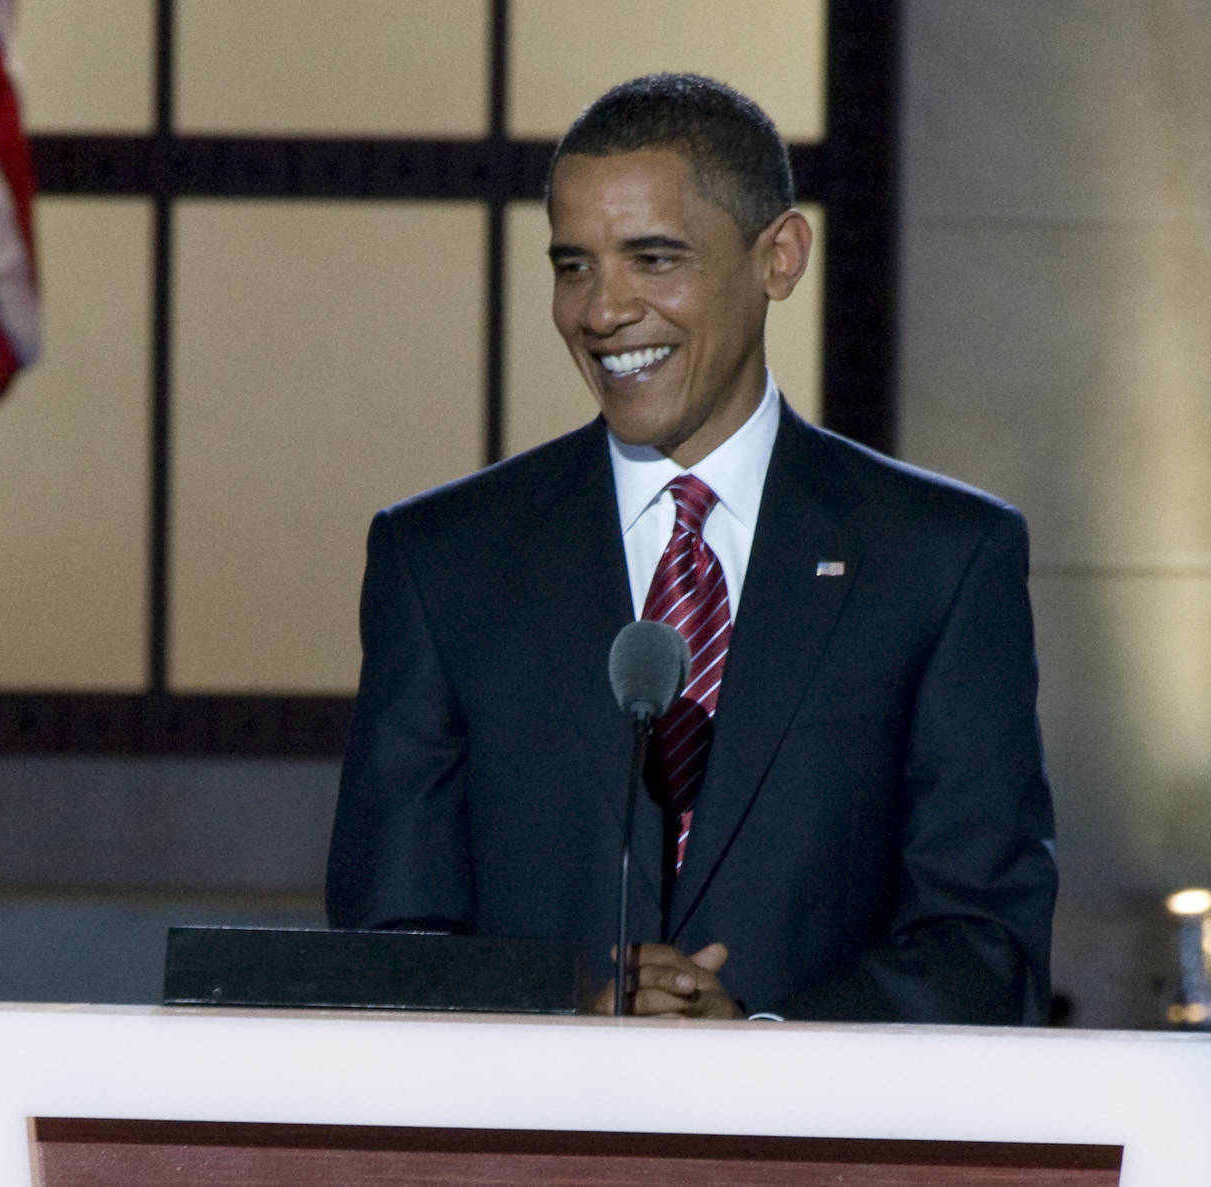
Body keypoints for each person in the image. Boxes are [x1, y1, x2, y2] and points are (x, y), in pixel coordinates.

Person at [326, 73, 1056, 1023]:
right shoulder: (441, 561)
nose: (602, 312)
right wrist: (563, 1024)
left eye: (654, 259)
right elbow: (384, 947)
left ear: (780, 258)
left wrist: (763, 1043)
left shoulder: (942, 562)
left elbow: (986, 943)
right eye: (574, 265)